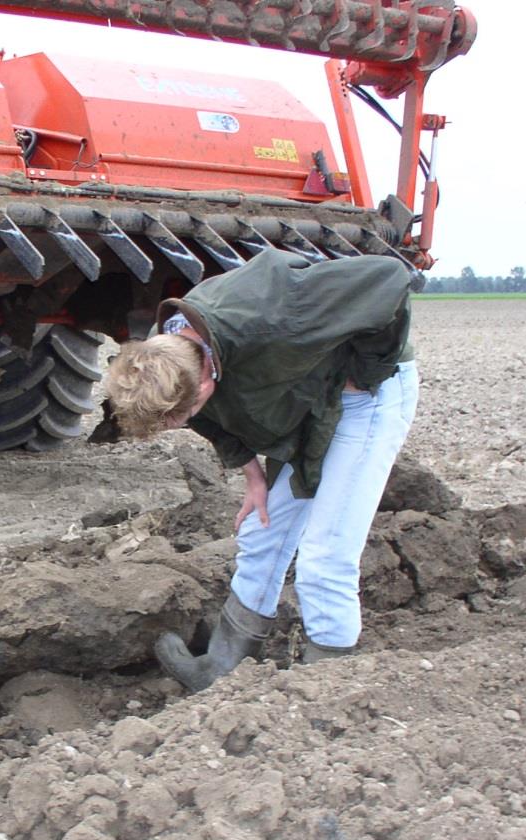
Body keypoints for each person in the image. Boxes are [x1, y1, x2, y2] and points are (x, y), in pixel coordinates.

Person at [102, 248, 419, 691]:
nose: (188, 423)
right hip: (313, 404)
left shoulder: (276, 313)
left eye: (185, 414)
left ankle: (328, 689)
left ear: (207, 382)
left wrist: (365, 370)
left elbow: (387, 277)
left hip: (367, 397)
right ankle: (222, 669)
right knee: (260, 530)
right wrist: (253, 476)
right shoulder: (173, 354)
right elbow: (211, 419)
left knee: (324, 557)